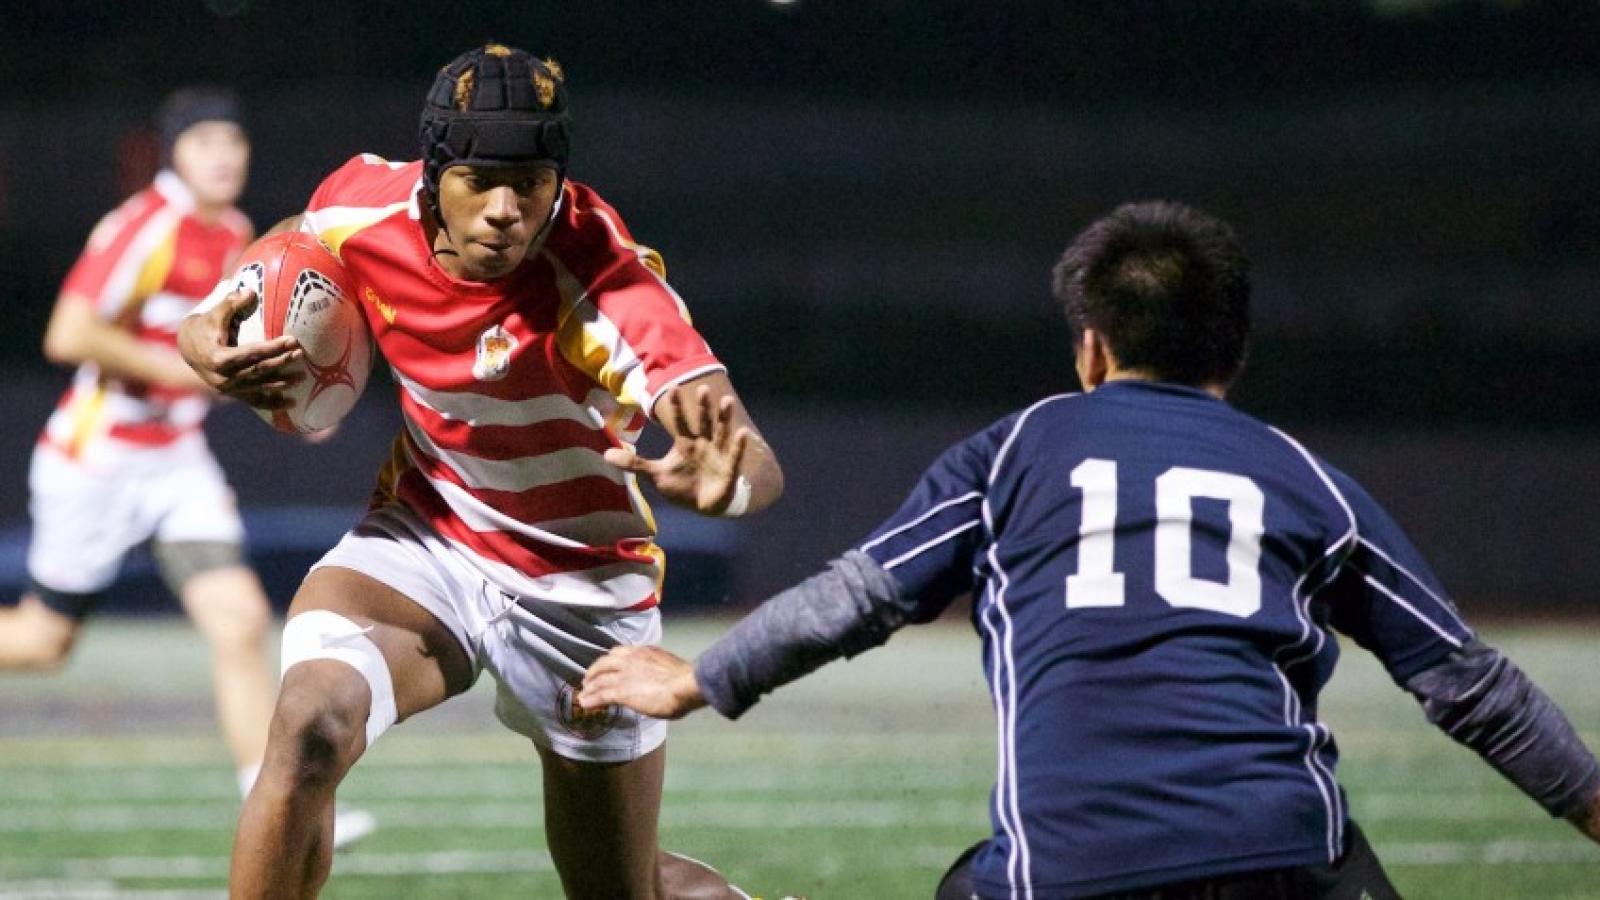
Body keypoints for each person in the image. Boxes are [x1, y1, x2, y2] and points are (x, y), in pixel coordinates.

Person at [579, 201, 1600, 899]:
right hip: (1280, 859)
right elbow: (1468, 686)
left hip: (1067, 874)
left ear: (1092, 347)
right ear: (1233, 351)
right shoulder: (1306, 479)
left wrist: (701, 679)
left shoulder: (1016, 450)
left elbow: (860, 596)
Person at [179, 45, 784, 899]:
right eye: (480, 179)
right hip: (428, 536)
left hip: (579, 585)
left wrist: (728, 482)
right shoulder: (366, 202)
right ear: (432, 174)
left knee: (619, 889)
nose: (505, 210)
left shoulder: (603, 285)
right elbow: (297, 236)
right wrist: (204, 321)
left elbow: (749, 454)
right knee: (310, 725)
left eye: (531, 182)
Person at [0, 88, 373, 849]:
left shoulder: (235, 231)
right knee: (41, 642)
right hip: (99, 460)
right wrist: (185, 371)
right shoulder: (149, 225)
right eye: (205, 142)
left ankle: (264, 800)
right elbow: (68, 334)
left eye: (233, 142)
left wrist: (291, 399)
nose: (224, 156)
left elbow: (229, 353)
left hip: (176, 465)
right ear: (174, 153)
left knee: (239, 624)